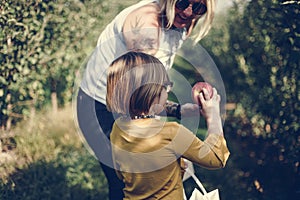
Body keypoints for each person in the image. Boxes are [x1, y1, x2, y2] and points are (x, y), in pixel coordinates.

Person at [76, 0, 217, 199]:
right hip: (100, 106)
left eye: (198, 7)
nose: (187, 12)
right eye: (183, 2)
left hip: (130, 107)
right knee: (128, 181)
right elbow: (143, 92)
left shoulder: (183, 22)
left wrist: (179, 111)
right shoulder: (146, 25)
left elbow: (147, 96)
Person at [106, 51, 230, 199]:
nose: (168, 91)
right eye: (165, 86)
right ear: (151, 93)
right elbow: (216, 158)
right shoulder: (171, 132)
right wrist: (213, 117)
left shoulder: (118, 128)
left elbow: (121, 174)